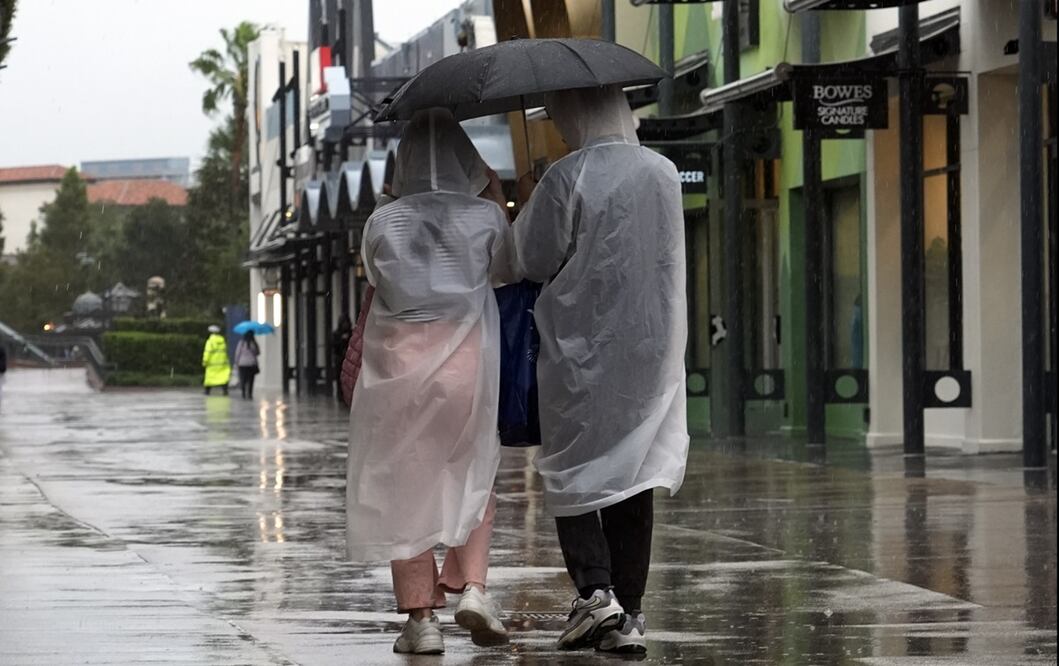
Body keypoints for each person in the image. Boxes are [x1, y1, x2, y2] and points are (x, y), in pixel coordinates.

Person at [510, 85, 689, 654]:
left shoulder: (569, 175)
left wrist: (527, 199)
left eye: (562, 112)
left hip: (581, 345)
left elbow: (532, 258)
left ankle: (594, 593)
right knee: (632, 470)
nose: (560, 124)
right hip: (650, 344)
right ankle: (629, 613)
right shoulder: (662, 171)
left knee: (575, 468)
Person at [346, 108, 513, 655]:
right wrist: (492, 193)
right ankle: (475, 587)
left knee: (405, 489)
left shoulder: (382, 223)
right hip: (468, 364)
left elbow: (375, 277)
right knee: (475, 472)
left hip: (397, 371)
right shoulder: (483, 218)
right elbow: (509, 269)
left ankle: (421, 620)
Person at [202, 325, 231, 396]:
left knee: (209, 378)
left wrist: (205, 361)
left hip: (212, 364)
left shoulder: (210, 341)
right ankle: (225, 391)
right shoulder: (222, 341)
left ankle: (207, 391)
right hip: (222, 363)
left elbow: (207, 352)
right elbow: (225, 352)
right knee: (223, 378)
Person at [233, 331, 260, 400]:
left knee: (243, 379)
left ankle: (244, 393)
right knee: (251, 379)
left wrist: (236, 362)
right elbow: (257, 353)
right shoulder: (253, 343)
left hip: (242, 364)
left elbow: (237, 353)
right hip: (251, 364)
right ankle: (250, 393)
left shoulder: (241, 343)